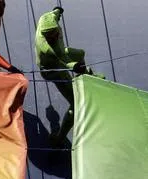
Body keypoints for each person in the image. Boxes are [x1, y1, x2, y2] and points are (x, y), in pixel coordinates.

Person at [34, 7, 103, 146]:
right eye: (49, 36)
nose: (53, 37)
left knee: (80, 53)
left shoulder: (47, 19)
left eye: (54, 33)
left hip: (61, 57)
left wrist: (58, 11)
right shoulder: (48, 48)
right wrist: (77, 66)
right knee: (75, 103)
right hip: (53, 70)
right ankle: (59, 138)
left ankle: (85, 76)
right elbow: (64, 62)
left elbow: (55, 13)